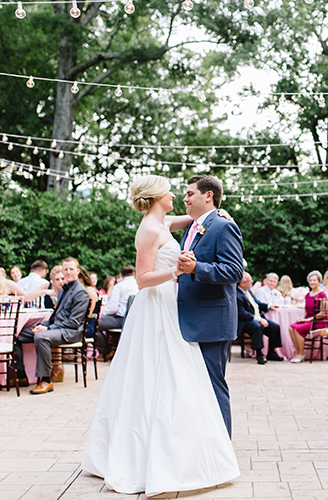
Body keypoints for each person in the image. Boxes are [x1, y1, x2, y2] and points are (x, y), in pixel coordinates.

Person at [82, 175, 240, 497]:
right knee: (157, 377)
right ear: (157, 197)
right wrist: (176, 272)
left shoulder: (165, 221)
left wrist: (222, 213)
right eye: (171, 191)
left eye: (184, 192)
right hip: (157, 306)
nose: (176, 196)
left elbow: (196, 218)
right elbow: (141, 279)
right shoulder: (149, 230)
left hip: (173, 308)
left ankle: (195, 449)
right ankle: (158, 455)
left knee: (180, 378)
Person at [176, 175, 244, 436]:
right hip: (190, 319)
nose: (185, 198)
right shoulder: (192, 228)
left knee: (214, 385)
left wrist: (196, 268)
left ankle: (222, 450)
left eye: (190, 193)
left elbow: (234, 271)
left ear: (208, 196)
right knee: (196, 386)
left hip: (213, 322)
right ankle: (204, 445)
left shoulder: (223, 227)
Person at [15, 257, 90, 393]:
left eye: (71, 269)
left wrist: (48, 328)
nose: (68, 272)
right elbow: (55, 316)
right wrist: (42, 325)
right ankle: (21, 375)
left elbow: (74, 322)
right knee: (19, 334)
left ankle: (46, 381)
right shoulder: (63, 290)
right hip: (58, 328)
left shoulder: (81, 292)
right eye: (65, 269)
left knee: (41, 337)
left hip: (71, 332)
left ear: (78, 271)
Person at [236, 272, 283, 363]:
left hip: (256, 318)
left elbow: (257, 303)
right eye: (250, 280)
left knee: (275, 327)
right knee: (256, 327)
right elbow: (242, 313)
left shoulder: (248, 291)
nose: (252, 281)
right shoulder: (237, 295)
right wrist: (260, 319)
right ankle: (259, 354)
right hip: (245, 321)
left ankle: (271, 353)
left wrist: (269, 306)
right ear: (242, 283)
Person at [96, 265, 139, 356]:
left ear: (121, 274)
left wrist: (104, 313)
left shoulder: (119, 286)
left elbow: (113, 308)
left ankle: (105, 351)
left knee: (95, 324)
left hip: (121, 319)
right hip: (136, 319)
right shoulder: (138, 285)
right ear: (134, 274)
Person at [288, 271, 328, 363]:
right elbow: (306, 310)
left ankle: (301, 354)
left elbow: (322, 313)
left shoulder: (322, 295)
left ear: (319, 282)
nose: (312, 282)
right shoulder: (308, 294)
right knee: (291, 328)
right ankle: (298, 352)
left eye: (314, 280)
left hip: (319, 321)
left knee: (298, 329)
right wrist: (302, 318)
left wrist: (308, 319)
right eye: (310, 280)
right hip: (309, 320)